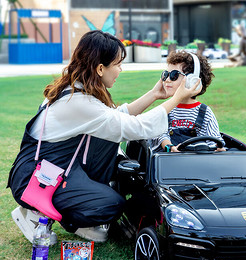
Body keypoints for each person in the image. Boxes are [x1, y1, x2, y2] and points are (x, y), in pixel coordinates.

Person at [7, 30, 201, 244]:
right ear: (100, 68)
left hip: (57, 166)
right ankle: (35, 213)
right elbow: (132, 127)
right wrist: (176, 99)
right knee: (112, 204)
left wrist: (154, 95)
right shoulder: (77, 102)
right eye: (118, 64)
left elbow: (115, 117)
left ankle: (80, 216)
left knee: (109, 139)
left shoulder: (77, 90)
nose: (120, 69)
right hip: (37, 178)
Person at [152, 50, 225, 153]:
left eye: (174, 75)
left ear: (192, 80)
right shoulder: (166, 109)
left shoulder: (205, 113)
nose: (167, 80)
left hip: (195, 163)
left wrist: (216, 147)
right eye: (165, 75)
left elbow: (213, 140)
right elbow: (160, 135)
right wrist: (169, 146)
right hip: (167, 162)